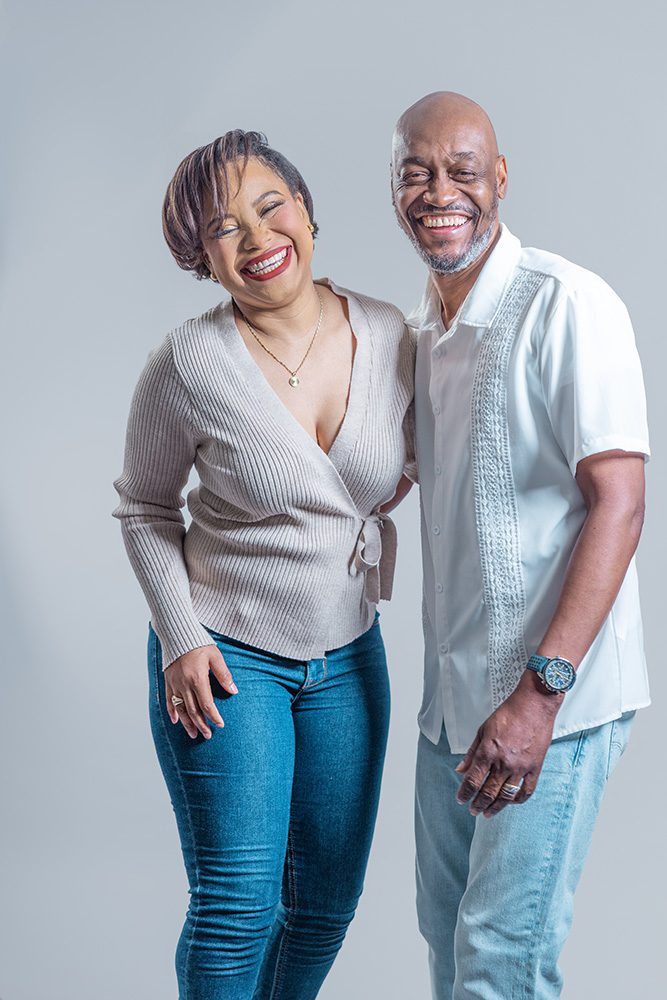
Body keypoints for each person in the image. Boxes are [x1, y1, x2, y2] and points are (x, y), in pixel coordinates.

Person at [112, 129, 415, 999]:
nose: (254, 237)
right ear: (202, 259)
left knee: (324, 908)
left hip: (350, 656)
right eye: (221, 228)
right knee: (238, 908)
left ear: (307, 212)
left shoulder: (390, 333)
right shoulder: (188, 363)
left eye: (268, 205)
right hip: (225, 655)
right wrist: (179, 639)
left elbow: (415, 457)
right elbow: (142, 504)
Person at [391, 91, 650, 999]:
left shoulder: (566, 302)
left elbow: (619, 502)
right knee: (444, 939)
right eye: (415, 171)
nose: (438, 190)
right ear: (394, 191)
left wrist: (539, 697)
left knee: (500, 961)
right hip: (449, 706)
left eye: (460, 169)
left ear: (498, 180)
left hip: (554, 697)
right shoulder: (418, 334)